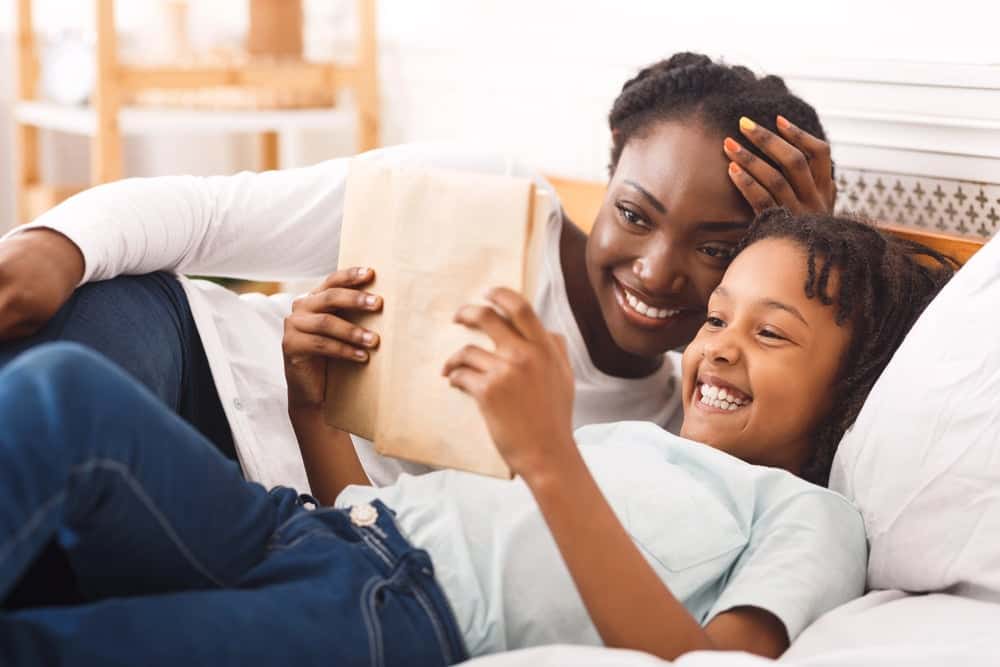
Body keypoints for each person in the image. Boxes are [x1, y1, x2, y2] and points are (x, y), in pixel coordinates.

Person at [0, 211, 955, 665]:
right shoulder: (649, 440)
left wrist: (546, 459)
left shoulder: (810, 516)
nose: (719, 345)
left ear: (856, 385)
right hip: (305, 536)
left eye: (771, 331)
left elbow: (712, 661)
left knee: (63, 646)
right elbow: (366, 511)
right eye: (717, 317)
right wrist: (311, 411)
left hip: (397, 617)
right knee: (64, 391)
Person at [0, 53, 837, 494]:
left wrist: (811, 248)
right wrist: (57, 246)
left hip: (253, 513)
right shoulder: (492, 188)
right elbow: (218, 214)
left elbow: (793, 474)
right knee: (44, 428)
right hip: (188, 354)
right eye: (634, 212)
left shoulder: (679, 428)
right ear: (609, 172)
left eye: (717, 247)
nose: (656, 269)